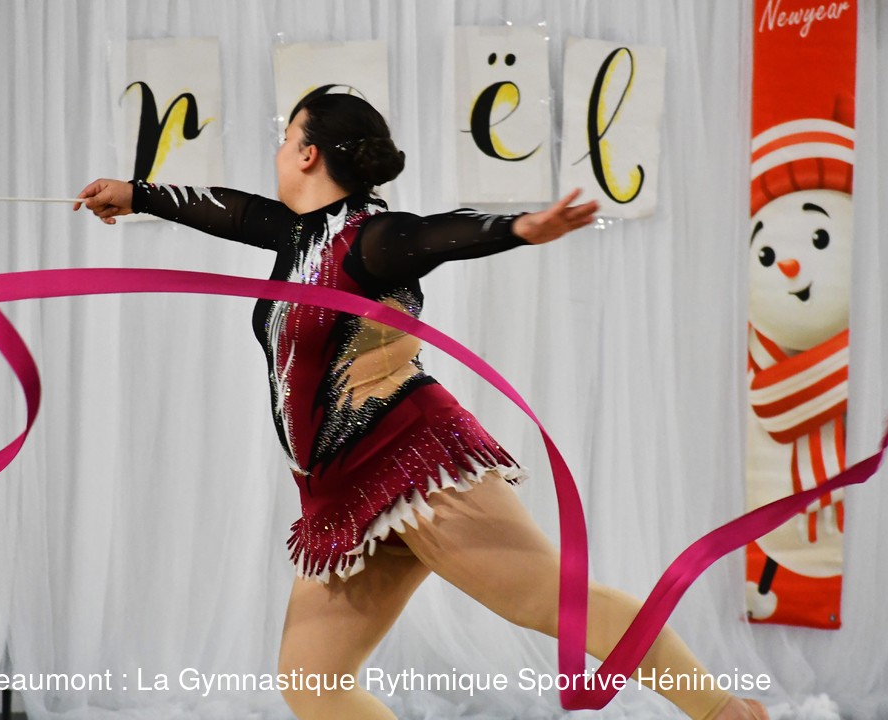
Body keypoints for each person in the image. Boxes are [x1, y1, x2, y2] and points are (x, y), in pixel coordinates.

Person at [76, 92, 766, 720]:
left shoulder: (375, 240)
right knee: (313, 679)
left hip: (413, 468)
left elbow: (439, 233)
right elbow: (228, 210)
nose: (279, 152)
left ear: (308, 153)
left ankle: (726, 714)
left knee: (551, 601)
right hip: (342, 495)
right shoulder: (295, 235)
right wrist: (135, 195)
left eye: (286, 139)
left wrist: (520, 226)